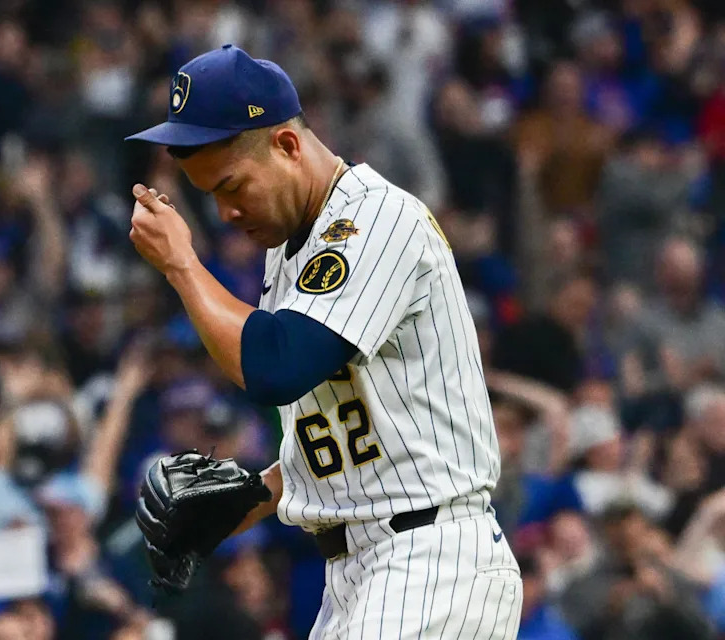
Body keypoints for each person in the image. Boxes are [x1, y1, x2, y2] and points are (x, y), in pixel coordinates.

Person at [126, 45, 520, 638]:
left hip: (431, 561)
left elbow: (278, 364)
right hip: (366, 572)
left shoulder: (377, 219)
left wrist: (183, 265)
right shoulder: (288, 253)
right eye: (210, 195)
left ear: (287, 144)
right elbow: (353, 441)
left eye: (232, 185)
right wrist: (248, 501)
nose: (226, 211)